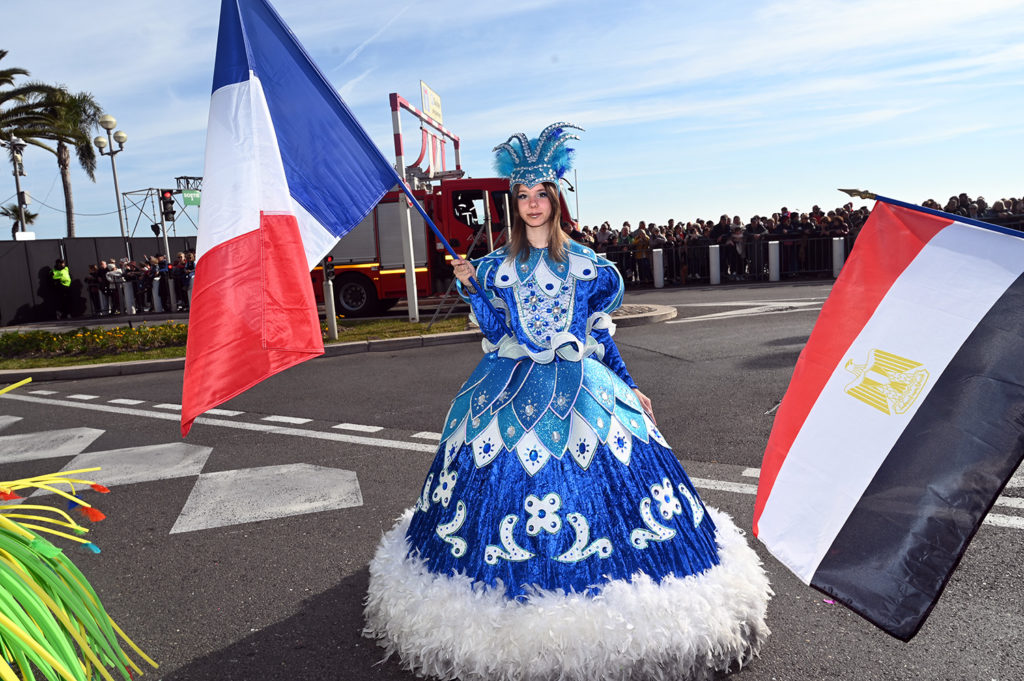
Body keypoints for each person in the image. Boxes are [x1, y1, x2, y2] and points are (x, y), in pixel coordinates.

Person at [364, 123, 771, 681]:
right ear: (515, 205)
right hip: (508, 388)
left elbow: (600, 335)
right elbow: (492, 323)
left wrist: (628, 385)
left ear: (557, 200)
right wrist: (470, 285)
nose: (533, 205)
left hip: (582, 392)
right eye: (524, 197)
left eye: (542, 195)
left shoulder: (588, 267)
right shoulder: (494, 267)